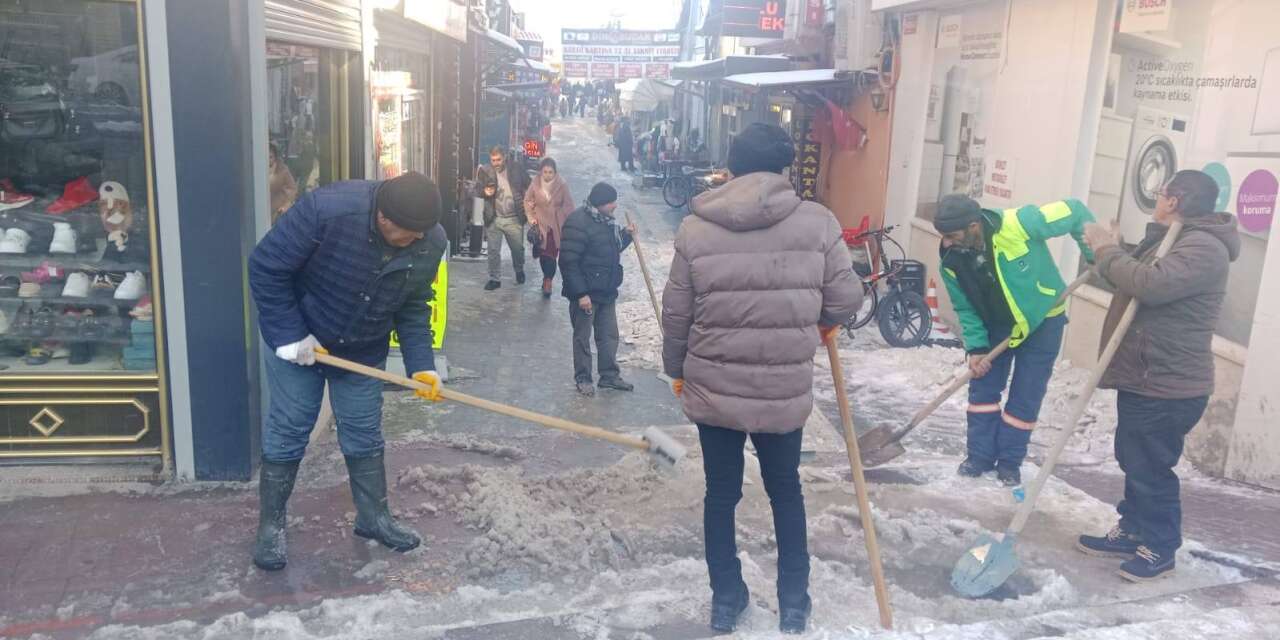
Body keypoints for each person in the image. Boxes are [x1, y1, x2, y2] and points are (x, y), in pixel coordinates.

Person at [661, 123, 862, 635]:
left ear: (730, 167)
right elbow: (845, 300)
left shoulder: (695, 227)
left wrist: (676, 371)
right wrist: (810, 325)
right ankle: (794, 602)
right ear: (784, 169)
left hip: (713, 386)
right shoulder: (817, 223)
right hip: (782, 391)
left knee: (721, 494)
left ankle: (726, 599)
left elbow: (677, 315)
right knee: (785, 492)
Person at [247, 171, 447, 571]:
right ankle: (271, 527)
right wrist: (291, 335)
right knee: (290, 426)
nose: (419, 241)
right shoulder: (328, 211)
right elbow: (266, 266)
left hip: (362, 350)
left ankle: (373, 518)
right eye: (411, 234)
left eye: (424, 234)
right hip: (300, 340)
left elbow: (412, 305)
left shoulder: (430, 240)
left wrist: (422, 366)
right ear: (385, 220)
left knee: (363, 430)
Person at [1076, 170, 1240, 582]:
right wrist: (1104, 253)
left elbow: (1149, 284)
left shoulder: (1204, 248)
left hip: (1169, 383)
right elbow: (1127, 275)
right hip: (1146, 375)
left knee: (1150, 467)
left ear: (1177, 199)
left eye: (1161, 193)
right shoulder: (1172, 239)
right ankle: (1133, 529)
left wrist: (1109, 250)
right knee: (1134, 458)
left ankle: (1161, 547)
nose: (1157, 198)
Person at [934, 193, 1096, 486]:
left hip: (1043, 323)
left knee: (1026, 396)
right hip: (995, 327)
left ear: (973, 226)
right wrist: (976, 348)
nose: (946, 242)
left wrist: (1095, 255)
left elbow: (1074, 211)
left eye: (951, 235)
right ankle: (979, 457)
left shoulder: (1019, 223)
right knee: (982, 392)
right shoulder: (951, 260)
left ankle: (1009, 462)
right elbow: (965, 307)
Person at [559, 182, 635, 396]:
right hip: (586, 294)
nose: (615, 206)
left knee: (609, 335)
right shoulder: (577, 222)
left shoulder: (606, 222)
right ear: (601, 203)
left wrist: (626, 235)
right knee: (583, 338)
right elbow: (568, 262)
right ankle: (583, 378)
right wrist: (581, 294)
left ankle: (609, 376)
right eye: (611, 202)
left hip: (606, 290)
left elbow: (611, 248)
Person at [474, 146, 530, 291]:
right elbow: (477, 190)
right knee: (493, 251)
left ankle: (519, 270)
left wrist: (530, 208)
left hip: (514, 218)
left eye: (498, 159)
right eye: (493, 160)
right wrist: (484, 192)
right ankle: (494, 279)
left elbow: (529, 185)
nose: (496, 163)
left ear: (504, 157)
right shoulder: (485, 171)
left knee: (517, 249)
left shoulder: (516, 168)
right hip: (494, 217)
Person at [523, 157, 575, 298]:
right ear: (541, 172)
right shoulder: (535, 183)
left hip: (555, 226)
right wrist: (532, 218)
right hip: (540, 224)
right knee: (543, 255)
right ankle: (546, 277)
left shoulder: (562, 185)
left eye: (550, 172)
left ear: (555, 172)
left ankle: (548, 281)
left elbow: (569, 205)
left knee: (551, 255)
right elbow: (527, 200)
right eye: (545, 172)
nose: (547, 175)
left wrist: (563, 218)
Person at [268, 142, 298, 224]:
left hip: (278, 213)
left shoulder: (282, 170)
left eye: (270, 157)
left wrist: (286, 206)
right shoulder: (258, 171)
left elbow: (293, 189)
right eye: (265, 156)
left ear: (275, 157)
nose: (268, 160)